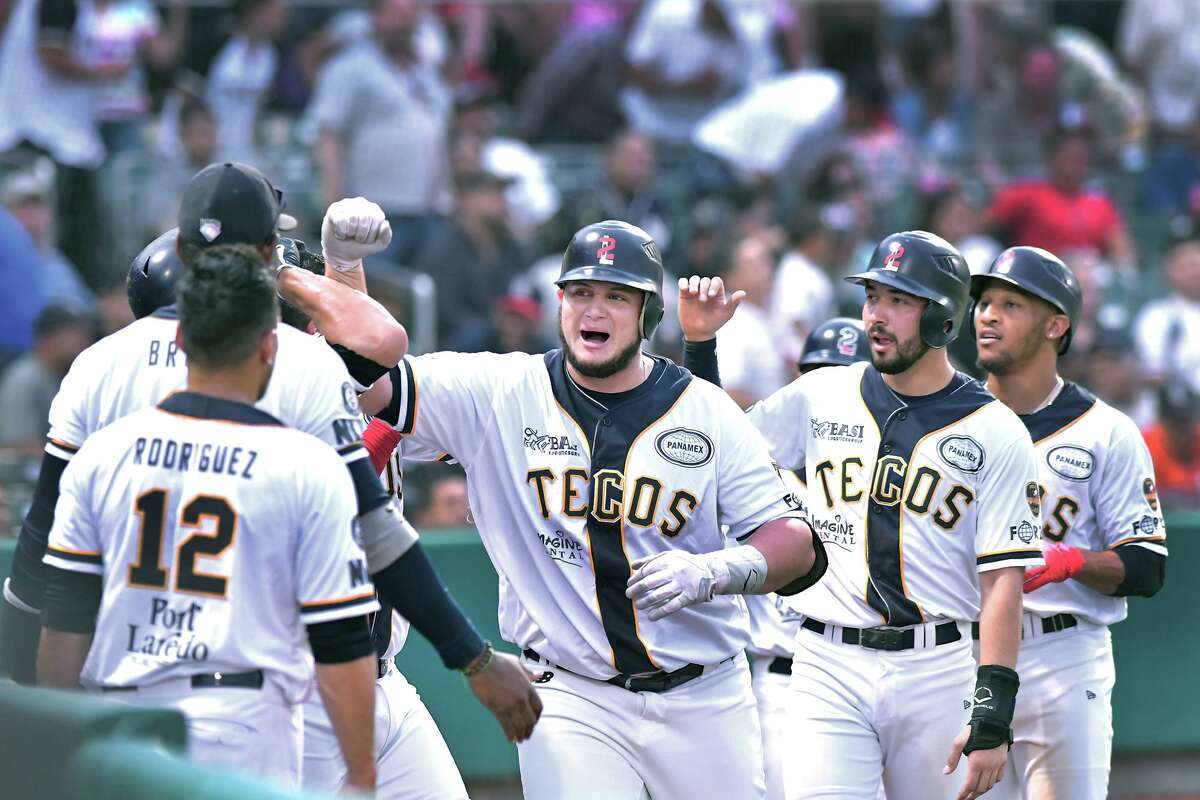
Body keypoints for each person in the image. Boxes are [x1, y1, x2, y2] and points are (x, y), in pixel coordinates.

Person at [1, 164, 542, 749]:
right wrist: (472, 656)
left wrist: (36, 704)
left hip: (137, 675)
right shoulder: (288, 362)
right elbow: (378, 528)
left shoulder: (102, 369)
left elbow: (44, 563)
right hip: (267, 688)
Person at [360, 219, 824, 800]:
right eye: (581, 292)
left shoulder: (705, 409)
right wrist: (341, 271)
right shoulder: (500, 389)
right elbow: (368, 387)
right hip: (571, 694)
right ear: (559, 302)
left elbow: (795, 542)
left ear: (649, 313)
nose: (594, 311)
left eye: (615, 296)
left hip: (703, 694)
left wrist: (717, 570)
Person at [679, 231, 1042, 800]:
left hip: (937, 664)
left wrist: (993, 710)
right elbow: (712, 448)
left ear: (943, 318)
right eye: (873, 295)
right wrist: (701, 344)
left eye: (900, 301)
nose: (877, 314)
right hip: (824, 661)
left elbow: (1003, 580)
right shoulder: (821, 392)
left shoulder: (995, 429)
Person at [37, 246, 379, 791]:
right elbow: (341, 641)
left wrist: (63, 744)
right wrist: (362, 776)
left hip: (119, 720)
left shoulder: (102, 454)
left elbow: (64, 618)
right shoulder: (307, 466)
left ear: (179, 339)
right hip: (241, 720)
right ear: (271, 346)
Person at [970, 245, 1168, 799]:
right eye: (983, 302)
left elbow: (1147, 564)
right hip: (960, 649)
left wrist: (1073, 560)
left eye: (1010, 304)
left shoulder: (1106, 430)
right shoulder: (951, 421)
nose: (986, 314)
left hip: (1062, 651)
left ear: (1056, 325)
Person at [0, 305, 94, 453]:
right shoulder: (25, 379)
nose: (85, 341)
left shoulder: (67, 376)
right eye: (77, 334)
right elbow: (18, 445)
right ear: (50, 339)